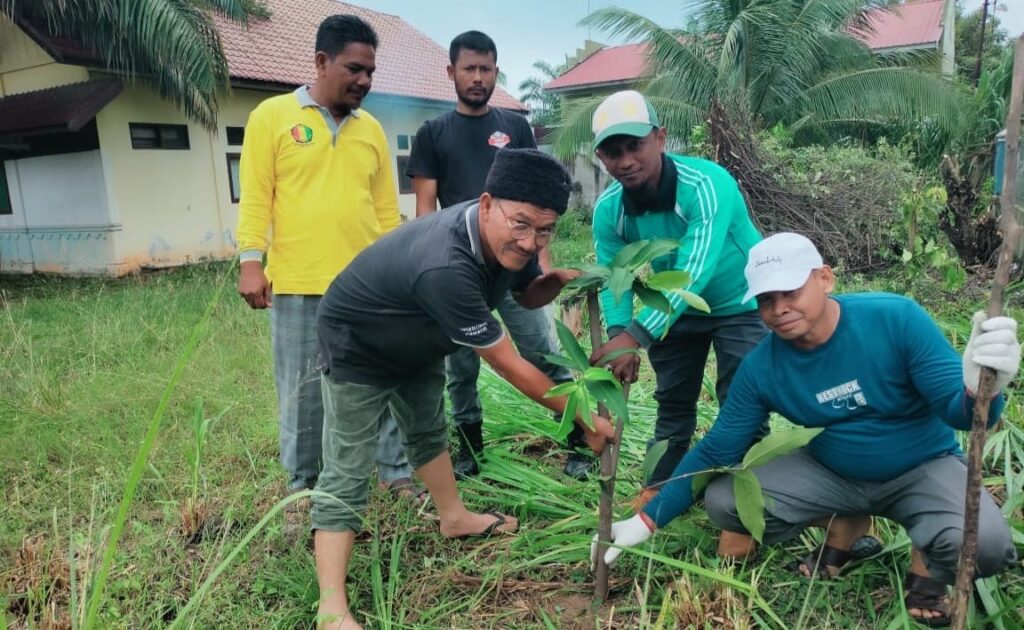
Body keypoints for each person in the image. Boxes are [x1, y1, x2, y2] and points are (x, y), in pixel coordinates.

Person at [593, 232, 1020, 627]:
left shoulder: (894, 318)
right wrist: (645, 521)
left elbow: (962, 415)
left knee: (984, 545)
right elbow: (717, 449)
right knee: (725, 501)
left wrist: (982, 389)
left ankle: (927, 562)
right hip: (833, 472)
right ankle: (845, 523)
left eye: (791, 291)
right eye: (766, 299)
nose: (779, 308)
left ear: (825, 279)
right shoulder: (762, 367)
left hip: (923, 465)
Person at [313, 148, 615, 630]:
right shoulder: (447, 264)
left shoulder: (512, 240)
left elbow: (523, 294)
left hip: (417, 334)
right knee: (347, 465)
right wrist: (584, 418)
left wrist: (555, 280)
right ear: (487, 203)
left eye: (545, 230)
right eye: (521, 224)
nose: (530, 241)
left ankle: (453, 517)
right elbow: (509, 365)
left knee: (427, 429)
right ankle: (330, 608)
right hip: (359, 343)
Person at [235, 15, 417, 537]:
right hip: (299, 282)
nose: (364, 80)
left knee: (382, 379)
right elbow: (256, 195)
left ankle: (396, 472)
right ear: (321, 61)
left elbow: (386, 213)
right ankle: (303, 486)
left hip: (368, 286)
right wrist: (251, 259)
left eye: (371, 71)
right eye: (354, 68)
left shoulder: (371, 130)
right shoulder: (273, 117)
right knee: (303, 392)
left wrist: (399, 272)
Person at [405, 30, 590, 479]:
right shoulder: (433, 134)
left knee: (542, 352)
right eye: (469, 68)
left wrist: (543, 266)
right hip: (460, 270)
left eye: (485, 69)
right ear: (451, 72)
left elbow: (538, 200)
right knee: (461, 367)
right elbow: (426, 214)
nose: (478, 77)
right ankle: (470, 448)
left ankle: (580, 438)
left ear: (496, 71)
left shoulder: (515, 127)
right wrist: (430, 280)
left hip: (516, 268)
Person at [588, 90, 767, 503]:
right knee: (672, 403)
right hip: (673, 310)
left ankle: (746, 497)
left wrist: (635, 335)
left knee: (742, 401)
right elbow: (617, 277)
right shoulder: (609, 210)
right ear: (600, 157)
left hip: (740, 303)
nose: (626, 160)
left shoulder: (707, 185)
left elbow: (694, 271)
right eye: (613, 152)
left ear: (661, 138)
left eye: (635, 145)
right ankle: (660, 492)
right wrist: (618, 335)